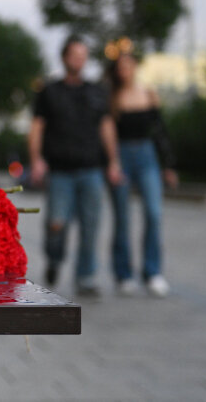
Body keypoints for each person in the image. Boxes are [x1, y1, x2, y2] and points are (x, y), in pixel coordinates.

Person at [28, 35, 122, 297]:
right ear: (64, 58)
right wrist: (36, 160)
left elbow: (106, 126)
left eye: (83, 55)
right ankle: (54, 258)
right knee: (56, 225)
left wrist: (113, 161)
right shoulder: (49, 91)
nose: (79, 60)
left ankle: (86, 277)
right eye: (74, 55)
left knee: (91, 226)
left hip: (91, 169)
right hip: (60, 171)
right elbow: (37, 127)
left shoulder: (97, 91)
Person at [105, 49, 177, 297]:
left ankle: (152, 271)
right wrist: (112, 162)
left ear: (135, 66)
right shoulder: (112, 98)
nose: (125, 70)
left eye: (128, 65)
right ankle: (123, 274)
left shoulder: (148, 93)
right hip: (121, 155)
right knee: (122, 218)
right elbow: (107, 133)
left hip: (147, 155)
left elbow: (160, 130)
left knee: (154, 213)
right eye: (120, 67)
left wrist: (168, 165)